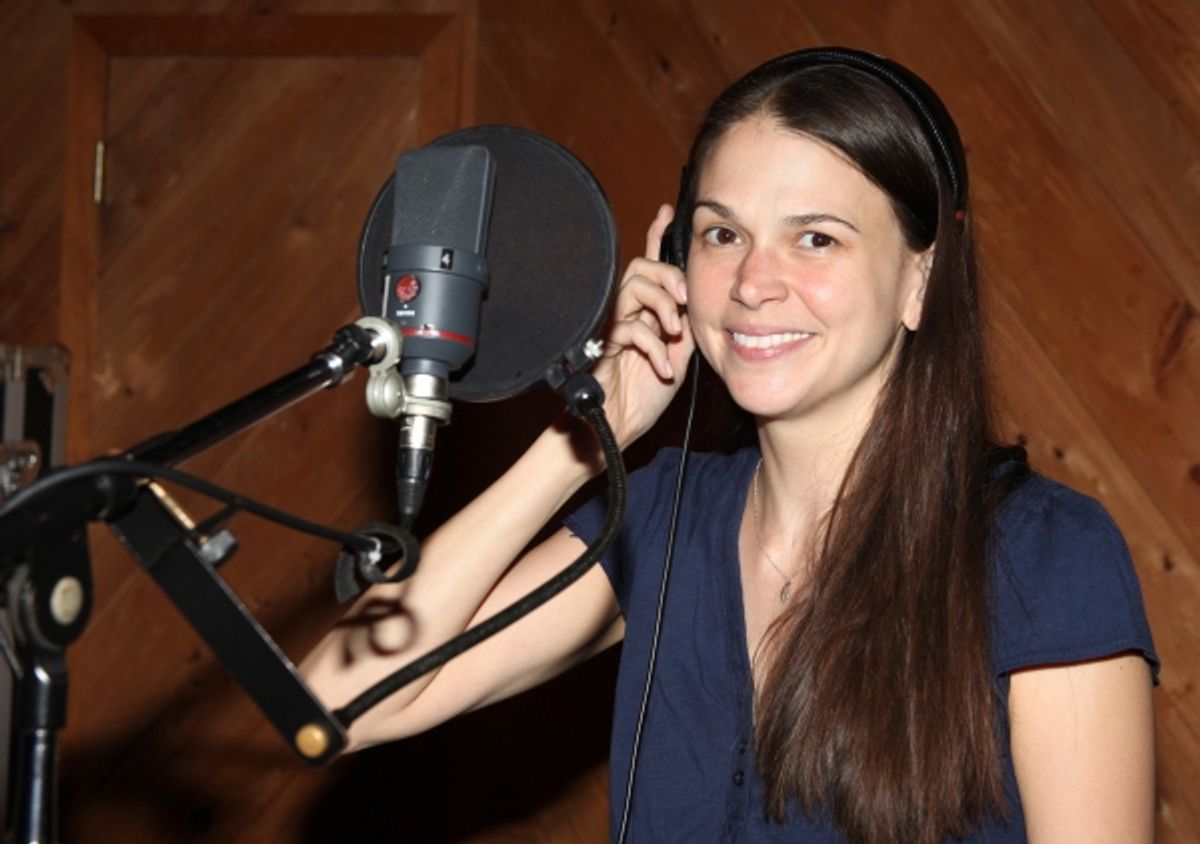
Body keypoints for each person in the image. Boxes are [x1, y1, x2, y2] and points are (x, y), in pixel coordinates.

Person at [302, 48, 1158, 843]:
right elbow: (334, 703)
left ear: (919, 280)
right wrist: (592, 435)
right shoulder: (667, 519)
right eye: (722, 234)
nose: (753, 281)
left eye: (815, 237)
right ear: (676, 259)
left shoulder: (1048, 555)